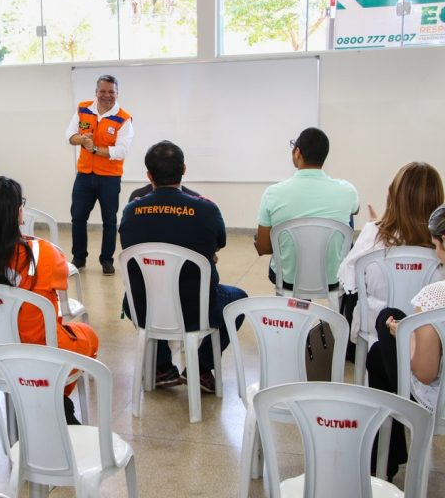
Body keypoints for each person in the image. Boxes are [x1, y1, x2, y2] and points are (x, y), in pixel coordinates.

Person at [0, 176, 99, 423]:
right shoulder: (44, 253)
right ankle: (55, 403)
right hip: (45, 357)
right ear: (15, 213)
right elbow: (63, 278)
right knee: (88, 337)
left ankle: (39, 406)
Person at [119, 141, 247, 392]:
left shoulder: (131, 211)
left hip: (145, 307)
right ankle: (200, 368)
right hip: (195, 308)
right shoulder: (206, 209)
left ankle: (161, 367)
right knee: (238, 300)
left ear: (149, 175)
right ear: (184, 169)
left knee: (136, 294)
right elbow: (218, 243)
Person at [367, 203, 445, 479]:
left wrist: (405, 336)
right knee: (388, 333)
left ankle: (385, 457)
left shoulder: (435, 296)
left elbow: (426, 373)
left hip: (437, 401)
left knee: (382, 335)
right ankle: (388, 455)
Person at [338, 162, 444, 344]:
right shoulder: (440, 245)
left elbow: (349, 280)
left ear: (394, 195)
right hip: (430, 335)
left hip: (375, 329)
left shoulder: (372, 233)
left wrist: (376, 229)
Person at [254, 127, 359, 288]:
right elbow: (355, 209)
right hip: (333, 279)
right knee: (348, 214)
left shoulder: (272, 193)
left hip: (288, 280)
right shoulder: (348, 190)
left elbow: (263, 248)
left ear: (297, 152)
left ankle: (292, 308)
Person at [65, 74, 134, 275]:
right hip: (84, 175)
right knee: (77, 217)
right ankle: (78, 258)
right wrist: (81, 139)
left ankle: (107, 260)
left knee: (109, 221)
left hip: (109, 178)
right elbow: (70, 135)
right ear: (96, 92)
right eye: (102, 91)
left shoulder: (124, 118)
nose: (106, 95)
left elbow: (121, 151)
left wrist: (93, 148)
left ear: (117, 93)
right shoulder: (83, 108)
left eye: (111, 92)